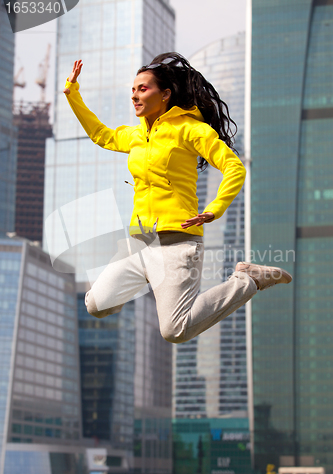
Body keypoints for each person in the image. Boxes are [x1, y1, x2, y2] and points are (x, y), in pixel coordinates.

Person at [63, 53, 292, 344]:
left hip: (177, 243)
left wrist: (215, 208)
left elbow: (233, 167)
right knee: (96, 305)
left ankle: (248, 279)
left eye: (142, 89)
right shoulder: (135, 136)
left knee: (174, 330)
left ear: (166, 94)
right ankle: (144, 282)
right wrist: (73, 93)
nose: (134, 95)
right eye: (132, 90)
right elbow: (101, 135)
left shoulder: (191, 130)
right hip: (139, 242)